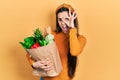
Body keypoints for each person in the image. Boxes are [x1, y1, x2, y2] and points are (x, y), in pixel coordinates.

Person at [26, 3, 86, 80]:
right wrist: (34, 64)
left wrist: (72, 29)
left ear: (73, 19)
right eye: (60, 19)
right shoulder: (50, 35)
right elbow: (31, 52)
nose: (63, 23)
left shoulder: (80, 39)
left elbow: (74, 51)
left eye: (67, 19)